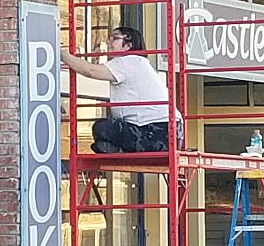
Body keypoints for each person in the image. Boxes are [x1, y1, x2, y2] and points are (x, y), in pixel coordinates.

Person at [60, 26, 179, 154]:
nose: (109, 43)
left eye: (115, 38)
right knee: (106, 132)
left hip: (156, 131)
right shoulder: (139, 63)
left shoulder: (128, 61)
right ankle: (116, 148)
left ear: (128, 45)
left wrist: (61, 53)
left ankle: (116, 149)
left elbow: (90, 70)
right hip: (169, 132)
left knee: (102, 127)